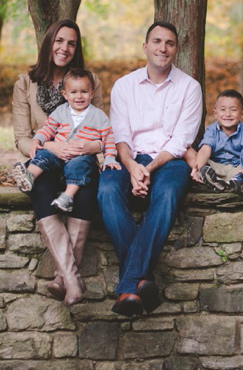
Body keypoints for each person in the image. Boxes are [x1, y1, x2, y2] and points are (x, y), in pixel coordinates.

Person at [98, 21, 203, 317]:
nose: (163, 48)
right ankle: (142, 280)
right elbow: (121, 136)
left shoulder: (190, 87)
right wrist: (132, 167)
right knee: (106, 190)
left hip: (169, 161)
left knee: (168, 193)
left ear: (176, 49)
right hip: (130, 158)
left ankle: (129, 285)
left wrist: (151, 168)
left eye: (169, 43)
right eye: (157, 42)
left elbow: (182, 140)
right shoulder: (124, 86)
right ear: (145, 47)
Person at [11, 19, 103, 306]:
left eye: (71, 43)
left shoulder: (90, 82)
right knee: (39, 187)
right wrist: (49, 145)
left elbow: (102, 129)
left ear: (76, 49)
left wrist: (91, 146)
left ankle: (63, 279)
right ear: (49, 43)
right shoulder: (25, 84)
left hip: (80, 161)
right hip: (46, 159)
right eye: (59, 40)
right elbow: (22, 138)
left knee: (86, 192)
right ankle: (73, 280)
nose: (64, 48)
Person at [11, 68, 121, 212]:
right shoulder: (61, 111)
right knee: (43, 155)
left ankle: (67, 197)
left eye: (84, 92)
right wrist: (37, 140)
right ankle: (29, 176)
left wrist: (110, 158)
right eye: (74, 92)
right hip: (58, 153)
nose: (79, 96)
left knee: (79, 167)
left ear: (92, 93)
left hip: (81, 156)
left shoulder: (98, 116)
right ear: (65, 94)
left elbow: (108, 137)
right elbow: (48, 128)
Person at [191, 89, 243, 192]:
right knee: (187, 151)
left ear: (242, 114)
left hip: (239, 170)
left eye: (233, 110)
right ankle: (206, 177)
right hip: (215, 170)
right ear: (215, 113)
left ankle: (239, 181)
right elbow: (205, 149)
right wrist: (199, 166)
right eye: (223, 109)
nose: (228, 114)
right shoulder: (211, 130)